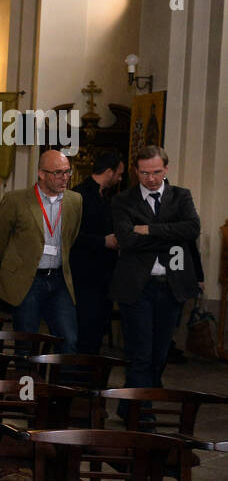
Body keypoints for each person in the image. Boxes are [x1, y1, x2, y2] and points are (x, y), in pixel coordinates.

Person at [110, 145, 201, 406]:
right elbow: (126, 240)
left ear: (167, 169)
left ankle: (130, 407)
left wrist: (147, 230)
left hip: (171, 286)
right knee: (141, 353)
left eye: (157, 172)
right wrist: (171, 236)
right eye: (144, 173)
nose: (151, 179)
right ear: (136, 172)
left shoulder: (181, 197)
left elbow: (191, 230)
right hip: (137, 287)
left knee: (160, 354)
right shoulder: (123, 200)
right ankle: (142, 415)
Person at [0, 149, 82, 353]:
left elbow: (71, 236)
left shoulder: (75, 201)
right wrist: (16, 262)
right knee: (26, 341)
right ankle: (26, 383)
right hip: (27, 280)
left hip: (59, 280)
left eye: (67, 172)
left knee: (69, 339)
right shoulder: (16, 200)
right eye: (58, 173)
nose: (64, 178)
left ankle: (61, 385)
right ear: (41, 174)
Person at [70, 151, 124, 354]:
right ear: (109, 172)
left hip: (103, 278)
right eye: (118, 174)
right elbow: (70, 235)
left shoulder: (105, 198)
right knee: (83, 332)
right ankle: (75, 380)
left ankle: (90, 379)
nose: (120, 179)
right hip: (84, 277)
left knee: (95, 334)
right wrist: (103, 241)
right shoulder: (79, 195)